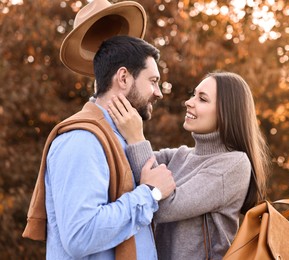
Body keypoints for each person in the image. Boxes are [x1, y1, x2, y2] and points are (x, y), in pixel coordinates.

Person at [22, 1, 176, 259]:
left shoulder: (119, 138)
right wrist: (150, 193)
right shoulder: (82, 140)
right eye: (153, 81)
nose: (159, 93)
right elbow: (81, 235)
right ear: (124, 78)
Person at [108, 71, 271, 259]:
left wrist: (136, 137)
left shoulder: (234, 164)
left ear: (226, 112)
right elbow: (126, 165)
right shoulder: (180, 156)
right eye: (194, 95)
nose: (189, 102)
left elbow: (163, 207)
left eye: (202, 99)